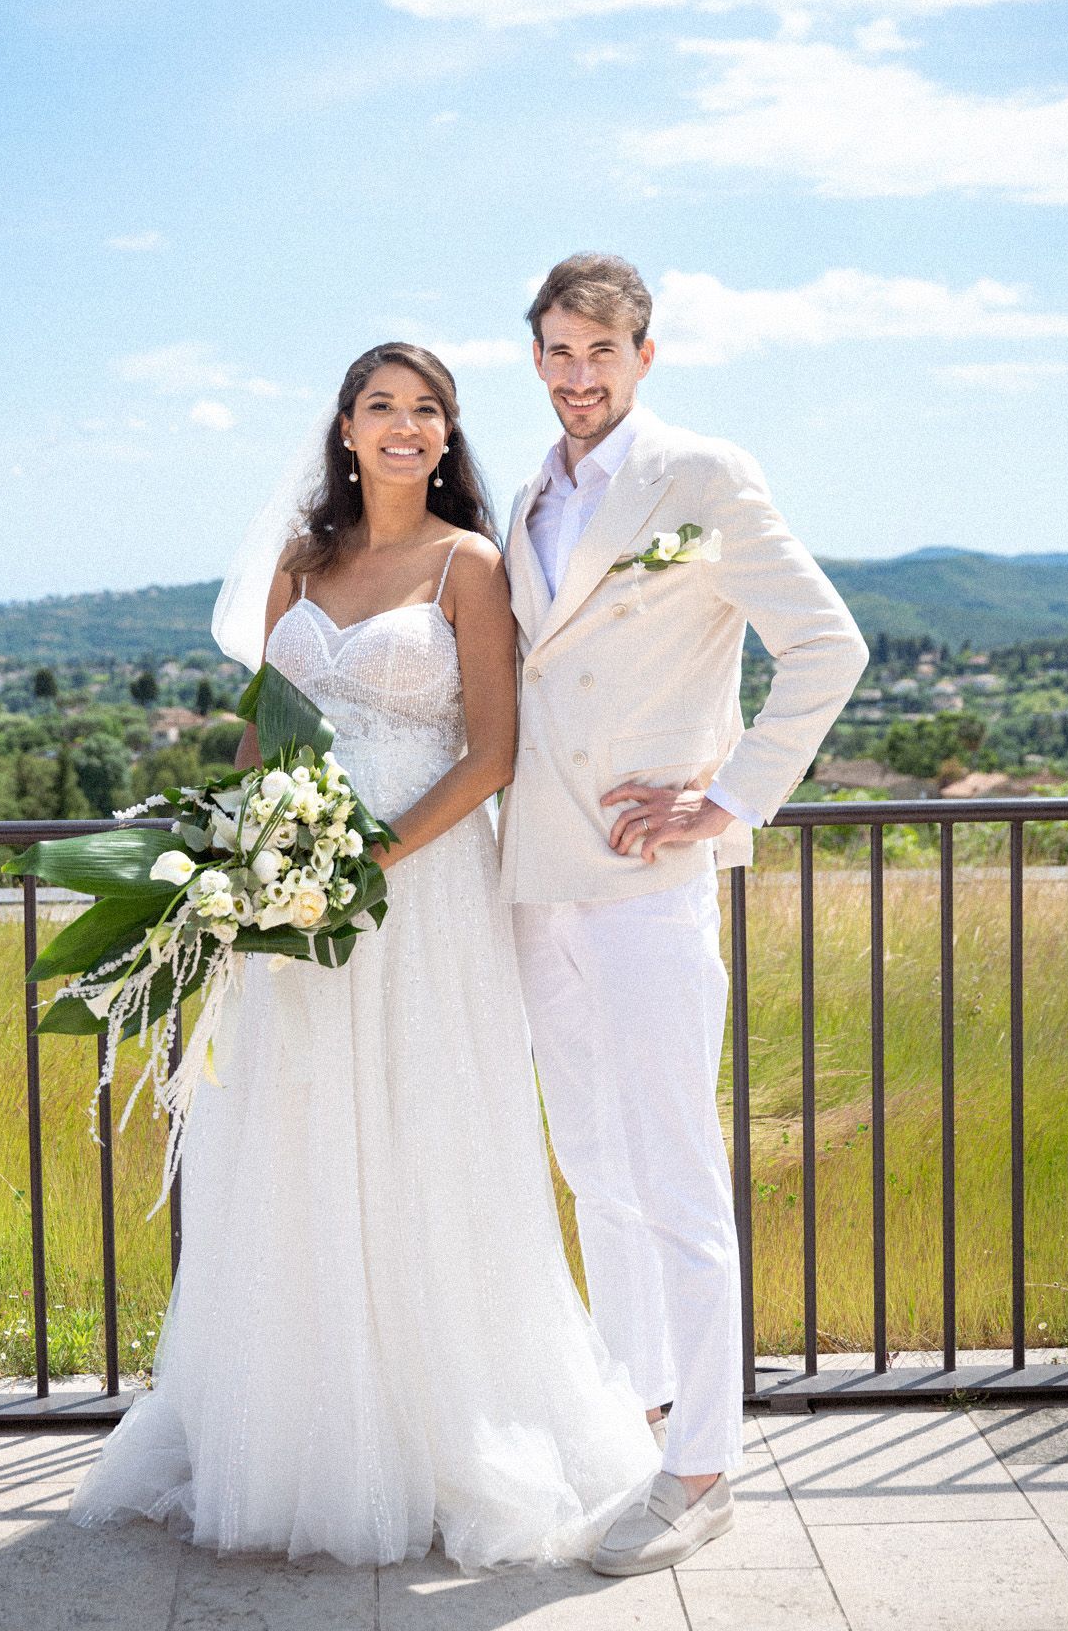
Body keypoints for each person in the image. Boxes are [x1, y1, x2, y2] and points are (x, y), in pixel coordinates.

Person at [68, 341, 657, 1569]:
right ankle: (290, 1432)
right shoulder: (300, 559)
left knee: (424, 1135)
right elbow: (256, 730)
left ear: (448, 436)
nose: (402, 426)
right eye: (380, 406)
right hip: (288, 909)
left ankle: (436, 1428)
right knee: (289, 1138)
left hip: (417, 891)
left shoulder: (468, 564)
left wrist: (365, 860)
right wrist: (238, 865)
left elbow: (491, 752)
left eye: (425, 409)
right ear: (344, 428)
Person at [500, 254, 870, 1578]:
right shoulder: (529, 491)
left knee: (672, 1173)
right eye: (555, 351)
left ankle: (704, 1468)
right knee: (592, 1166)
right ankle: (638, 1422)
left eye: (600, 351)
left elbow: (827, 646)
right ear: (535, 357)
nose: (577, 374)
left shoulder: (699, 477)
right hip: (537, 874)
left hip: (647, 877)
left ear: (644, 356)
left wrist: (729, 799)